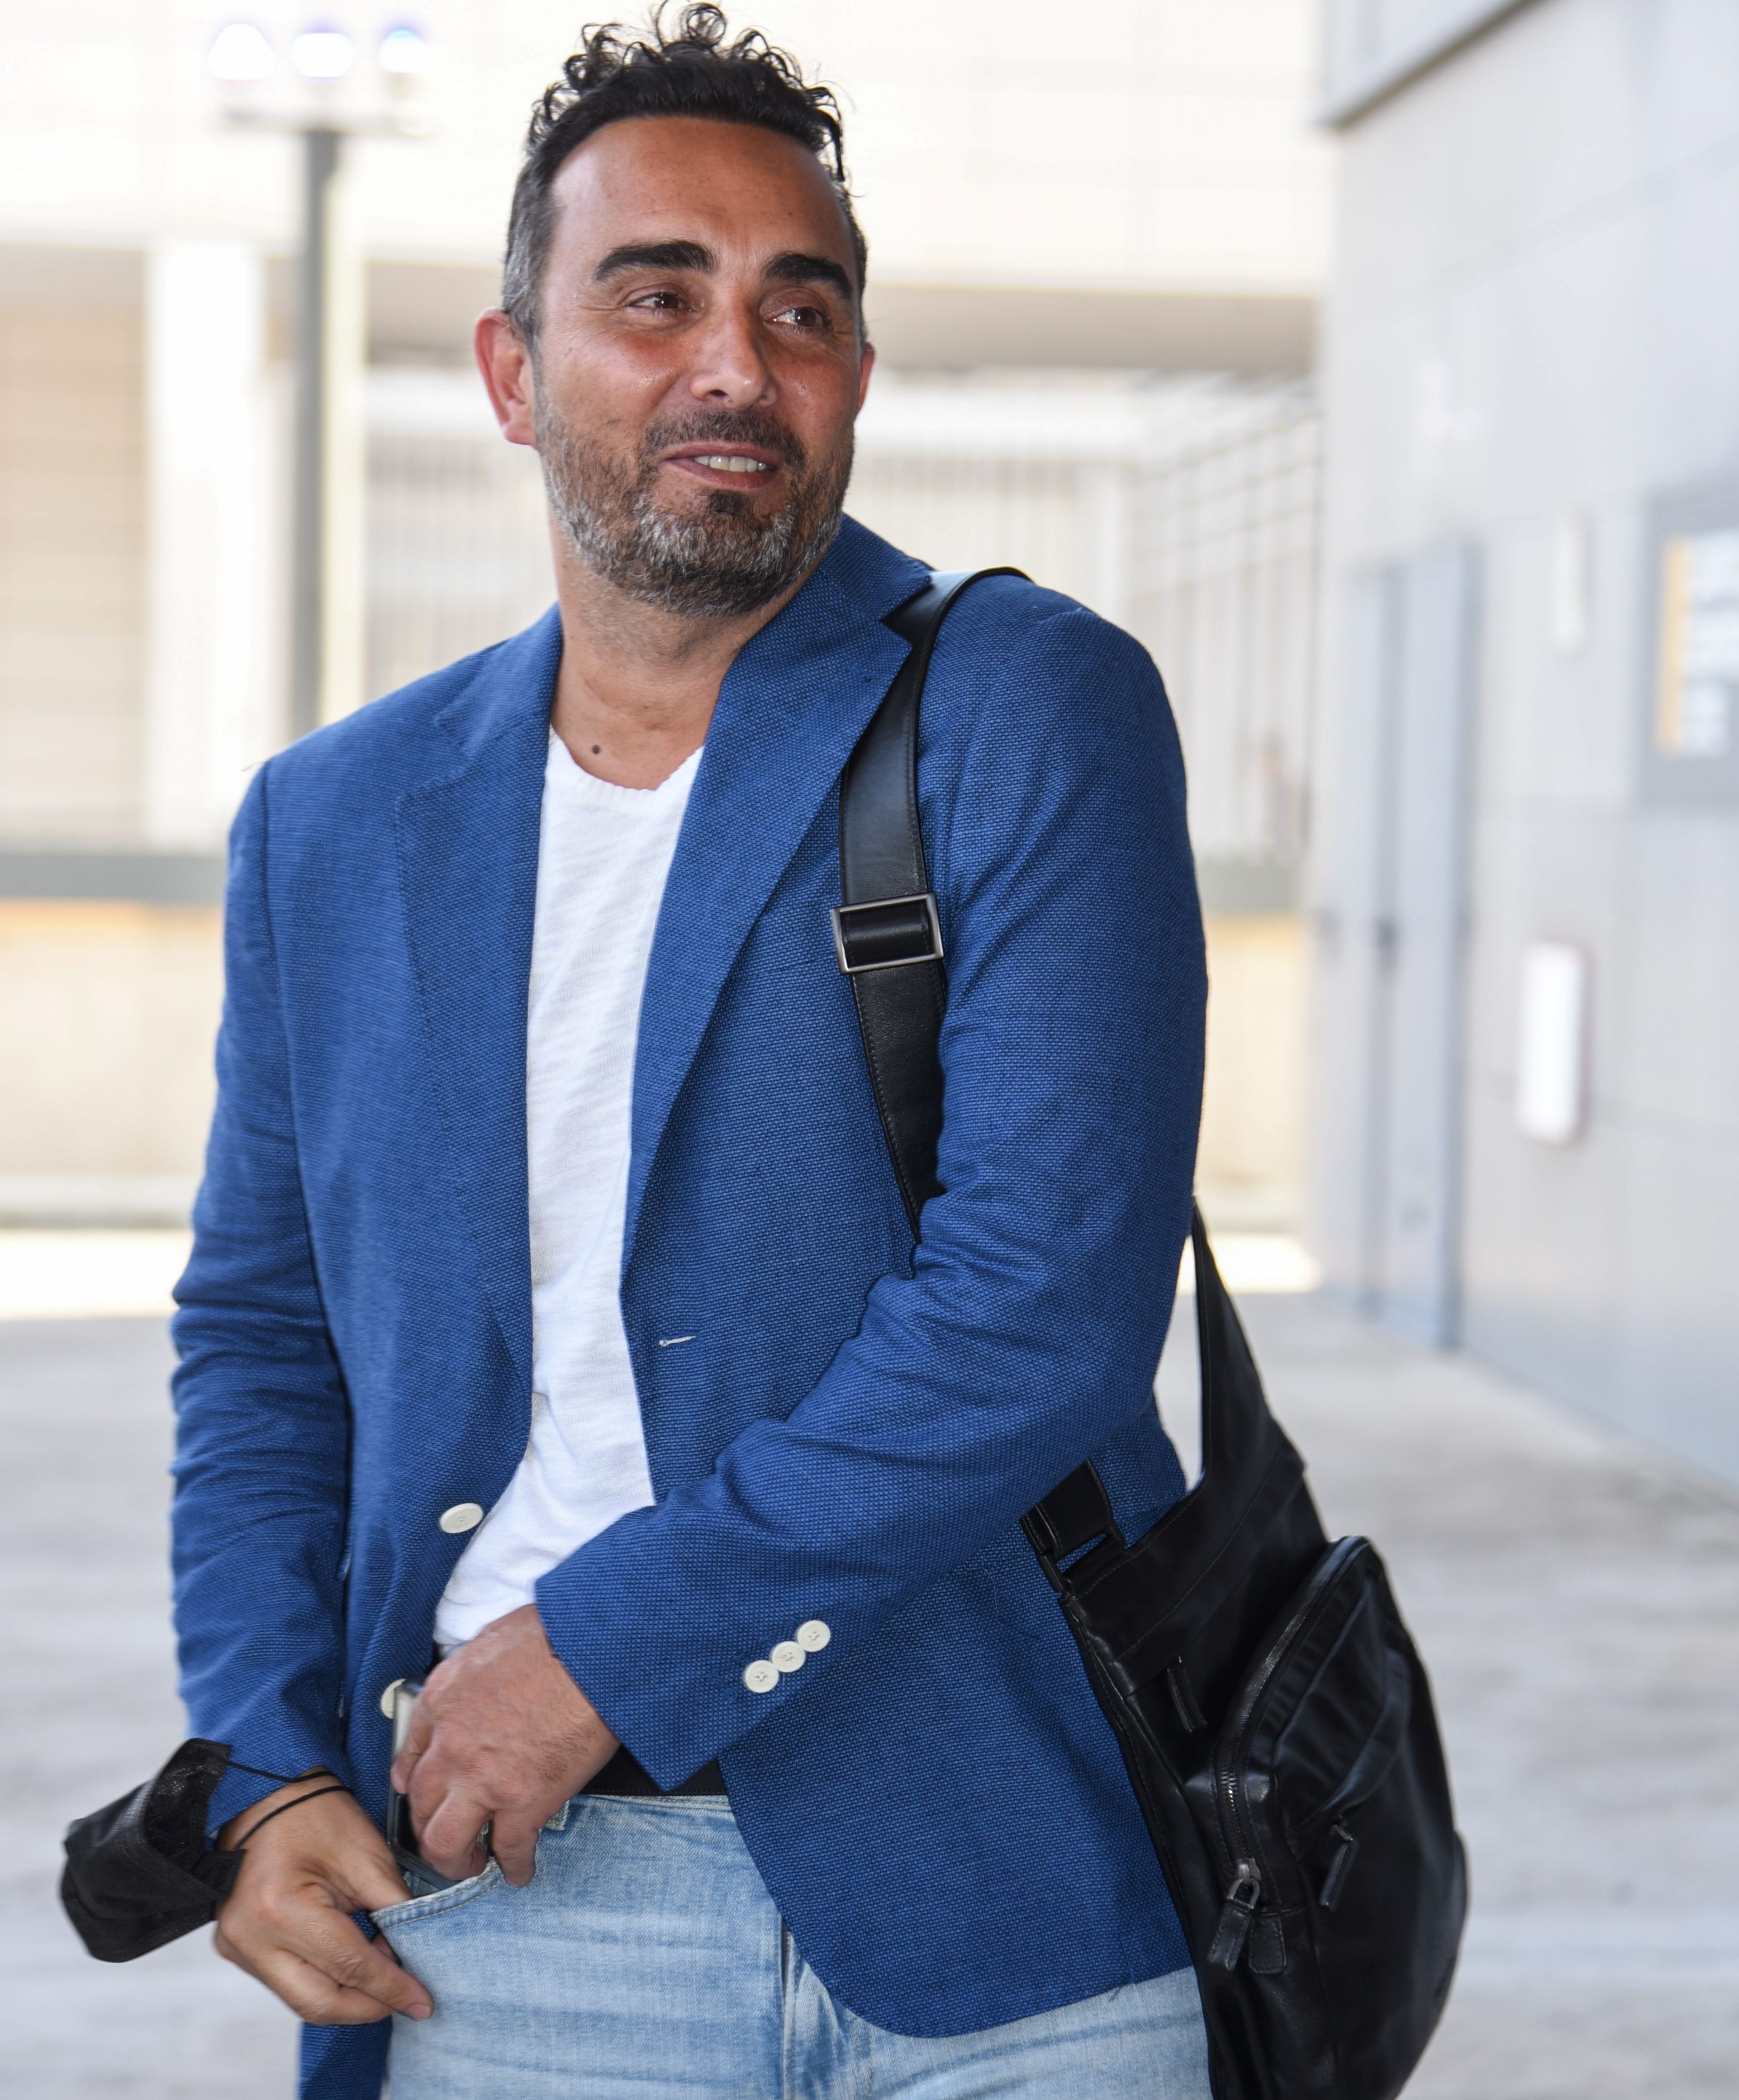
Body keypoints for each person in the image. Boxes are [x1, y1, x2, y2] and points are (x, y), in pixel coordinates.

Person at [171, 9, 1208, 2096]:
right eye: (657, 296)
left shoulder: (1026, 704)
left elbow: (1043, 1307)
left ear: (852, 375)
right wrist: (268, 1765)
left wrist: (606, 1651)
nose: (739, 362)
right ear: (514, 368)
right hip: (512, 1910)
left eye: (799, 306)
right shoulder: (337, 818)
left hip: (1004, 1895)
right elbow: (264, 1336)